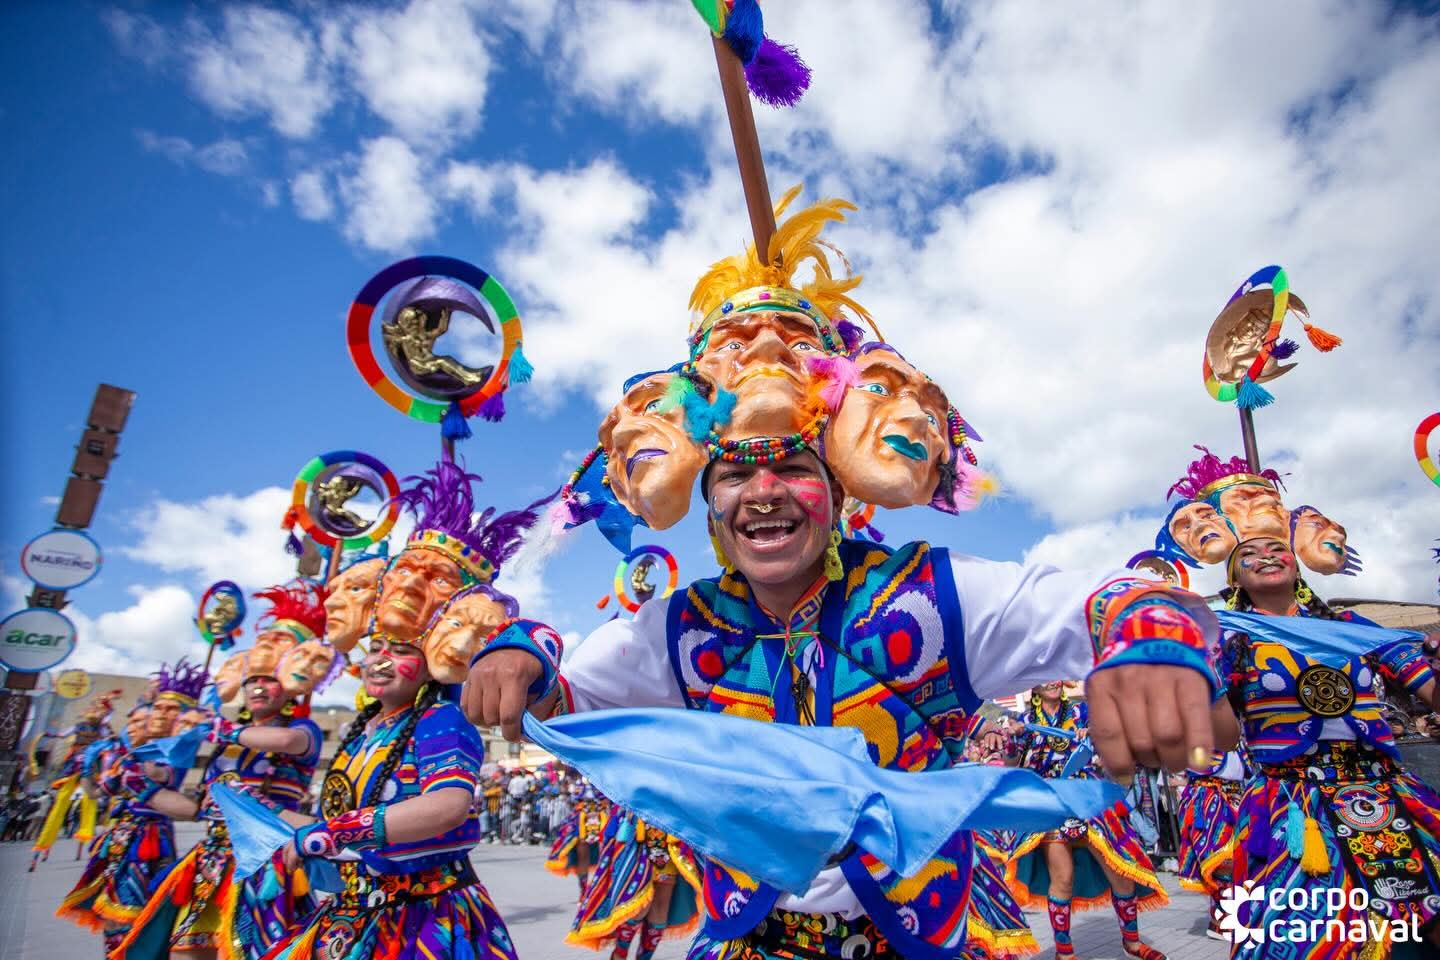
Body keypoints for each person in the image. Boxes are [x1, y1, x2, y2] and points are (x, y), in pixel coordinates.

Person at [465, 191, 1229, 960]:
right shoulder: (675, 628)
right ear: (710, 512)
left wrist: (1150, 638)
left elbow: (1111, 597)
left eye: (794, 469)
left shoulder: (932, 598)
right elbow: (561, 699)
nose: (762, 493)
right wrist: (520, 650)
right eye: (733, 477)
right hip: (745, 940)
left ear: (836, 497)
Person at [259, 461, 539, 960]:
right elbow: (333, 817)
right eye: (377, 650)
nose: (382, 662)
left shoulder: (440, 721)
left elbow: (448, 805)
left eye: (401, 654)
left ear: (432, 664)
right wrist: (268, 814)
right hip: (352, 909)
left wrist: (336, 832)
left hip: (423, 917)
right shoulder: (366, 727)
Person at [1219, 535, 1440, 955]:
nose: (1266, 555)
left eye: (1275, 547)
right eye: (1248, 554)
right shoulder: (1230, 642)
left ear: (1296, 566)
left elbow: (1430, 690)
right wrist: (1202, 679)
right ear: (1236, 581)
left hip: (1386, 789)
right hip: (1293, 803)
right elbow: (1223, 739)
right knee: (1311, 937)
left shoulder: (1350, 627)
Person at [112, 582, 334, 960]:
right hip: (210, 862)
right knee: (185, 951)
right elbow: (197, 808)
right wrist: (143, 786)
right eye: (252, 682)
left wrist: (223, 728)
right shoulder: (224, 742)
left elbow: (283, 743)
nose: (259, 689)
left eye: (268, 681)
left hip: (269, 862)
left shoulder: (302, 730)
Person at [1007, 682, 1173, 960]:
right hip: (1052, 802)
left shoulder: (1082, 711)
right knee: (1063, 877)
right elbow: (1011, 765)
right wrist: (1013, 739)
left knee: (1121, 871)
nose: (1052, 681)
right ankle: (1064, 952)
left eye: (1056, 675)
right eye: (1044, 676)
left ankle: (1131, 943)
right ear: (1033, 685)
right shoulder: (1024, 721)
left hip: (1087, 797)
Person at [57, 661, 205, 955]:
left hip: (148, 841)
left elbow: (162, 775)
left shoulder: (175, 750)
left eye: (171, 709)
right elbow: (98, 792)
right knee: (111, 916)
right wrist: (85, 764)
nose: (160, 714)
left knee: (138, 916)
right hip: (117, 843)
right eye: (158, 708)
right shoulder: (133, 756)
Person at [1175, 747, 1250, 940]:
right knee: (1220, 859)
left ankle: (1228, 917)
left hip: (1235, 793)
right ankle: (1222, 920)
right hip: (1207, 794)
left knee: (1240, 857)